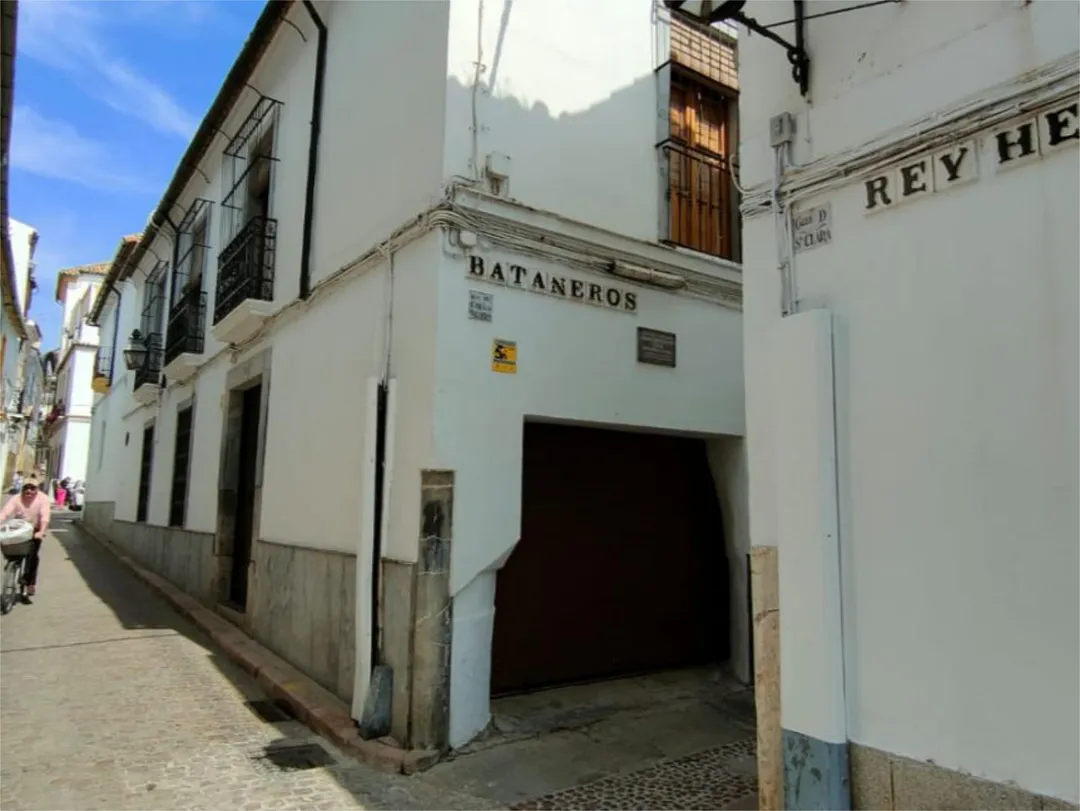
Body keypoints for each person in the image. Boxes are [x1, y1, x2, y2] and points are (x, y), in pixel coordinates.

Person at [0, 479, 51, 597]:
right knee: (7, 542)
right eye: (26, 488)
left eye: (32, 488)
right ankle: (12, 566)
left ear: (37, 490)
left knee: (32, 555)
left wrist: (42, 531)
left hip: (35, 528)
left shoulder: (43, 499)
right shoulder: (16, 498)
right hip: (20, 527)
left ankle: (30, 583)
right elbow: (5, 513)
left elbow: (45, 517)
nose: (29, 491)